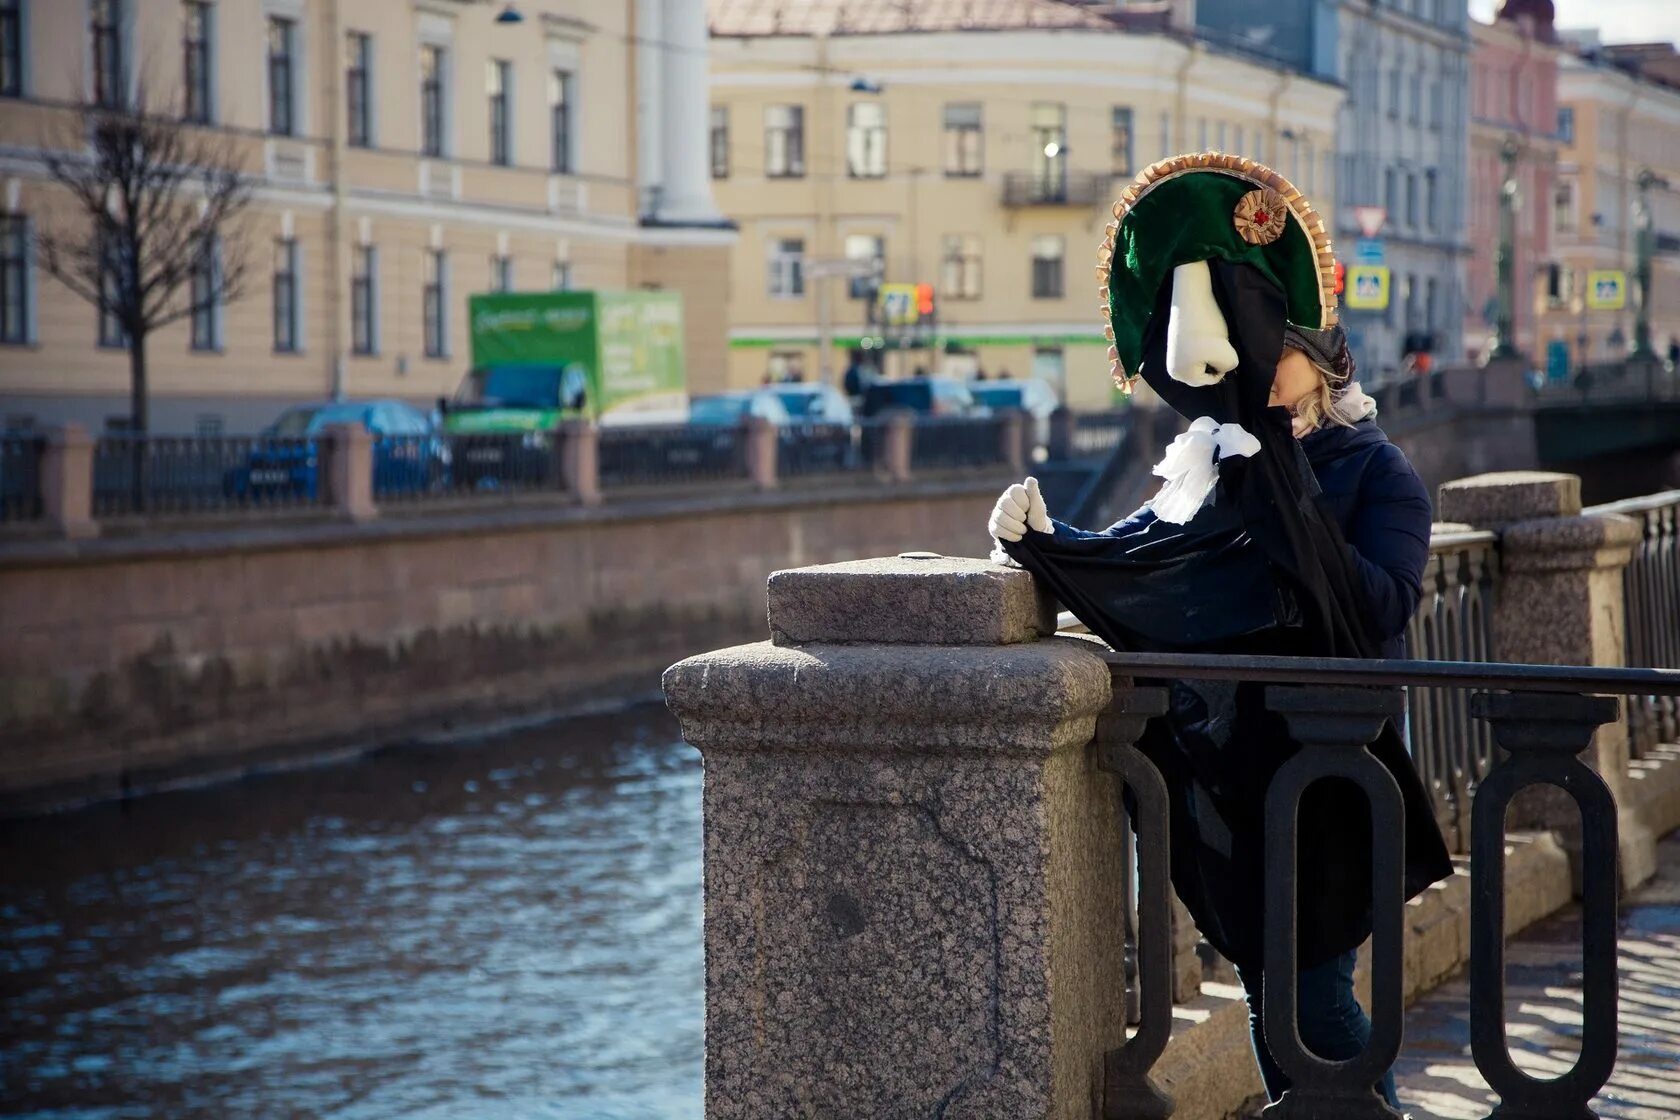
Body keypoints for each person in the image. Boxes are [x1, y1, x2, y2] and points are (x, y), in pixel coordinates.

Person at [986, 152, 1451, 1112]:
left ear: (1317, 359)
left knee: (1312, 1000)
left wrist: (1279, 493)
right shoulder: (1215, 459)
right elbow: (1150, 561)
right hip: (1231, 767)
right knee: (1270, 995)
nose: (1247, 378)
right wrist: (1044, 543)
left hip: (1330, 766)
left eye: (1264, 354)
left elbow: (1377, 607)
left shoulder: (1377, 472)